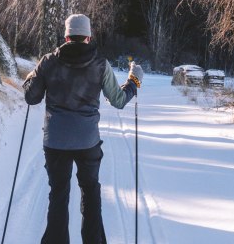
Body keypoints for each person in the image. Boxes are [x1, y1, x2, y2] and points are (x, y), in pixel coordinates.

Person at [23, 14, 144, 244]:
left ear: (66, 36)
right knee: (90, 192)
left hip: (55, 141)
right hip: (87, 141)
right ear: (88, 37)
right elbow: (118, 100)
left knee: (58, 195)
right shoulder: (100, 64)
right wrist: (133, 82)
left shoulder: (48, 61)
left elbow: (32, 97)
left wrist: (31, 77)